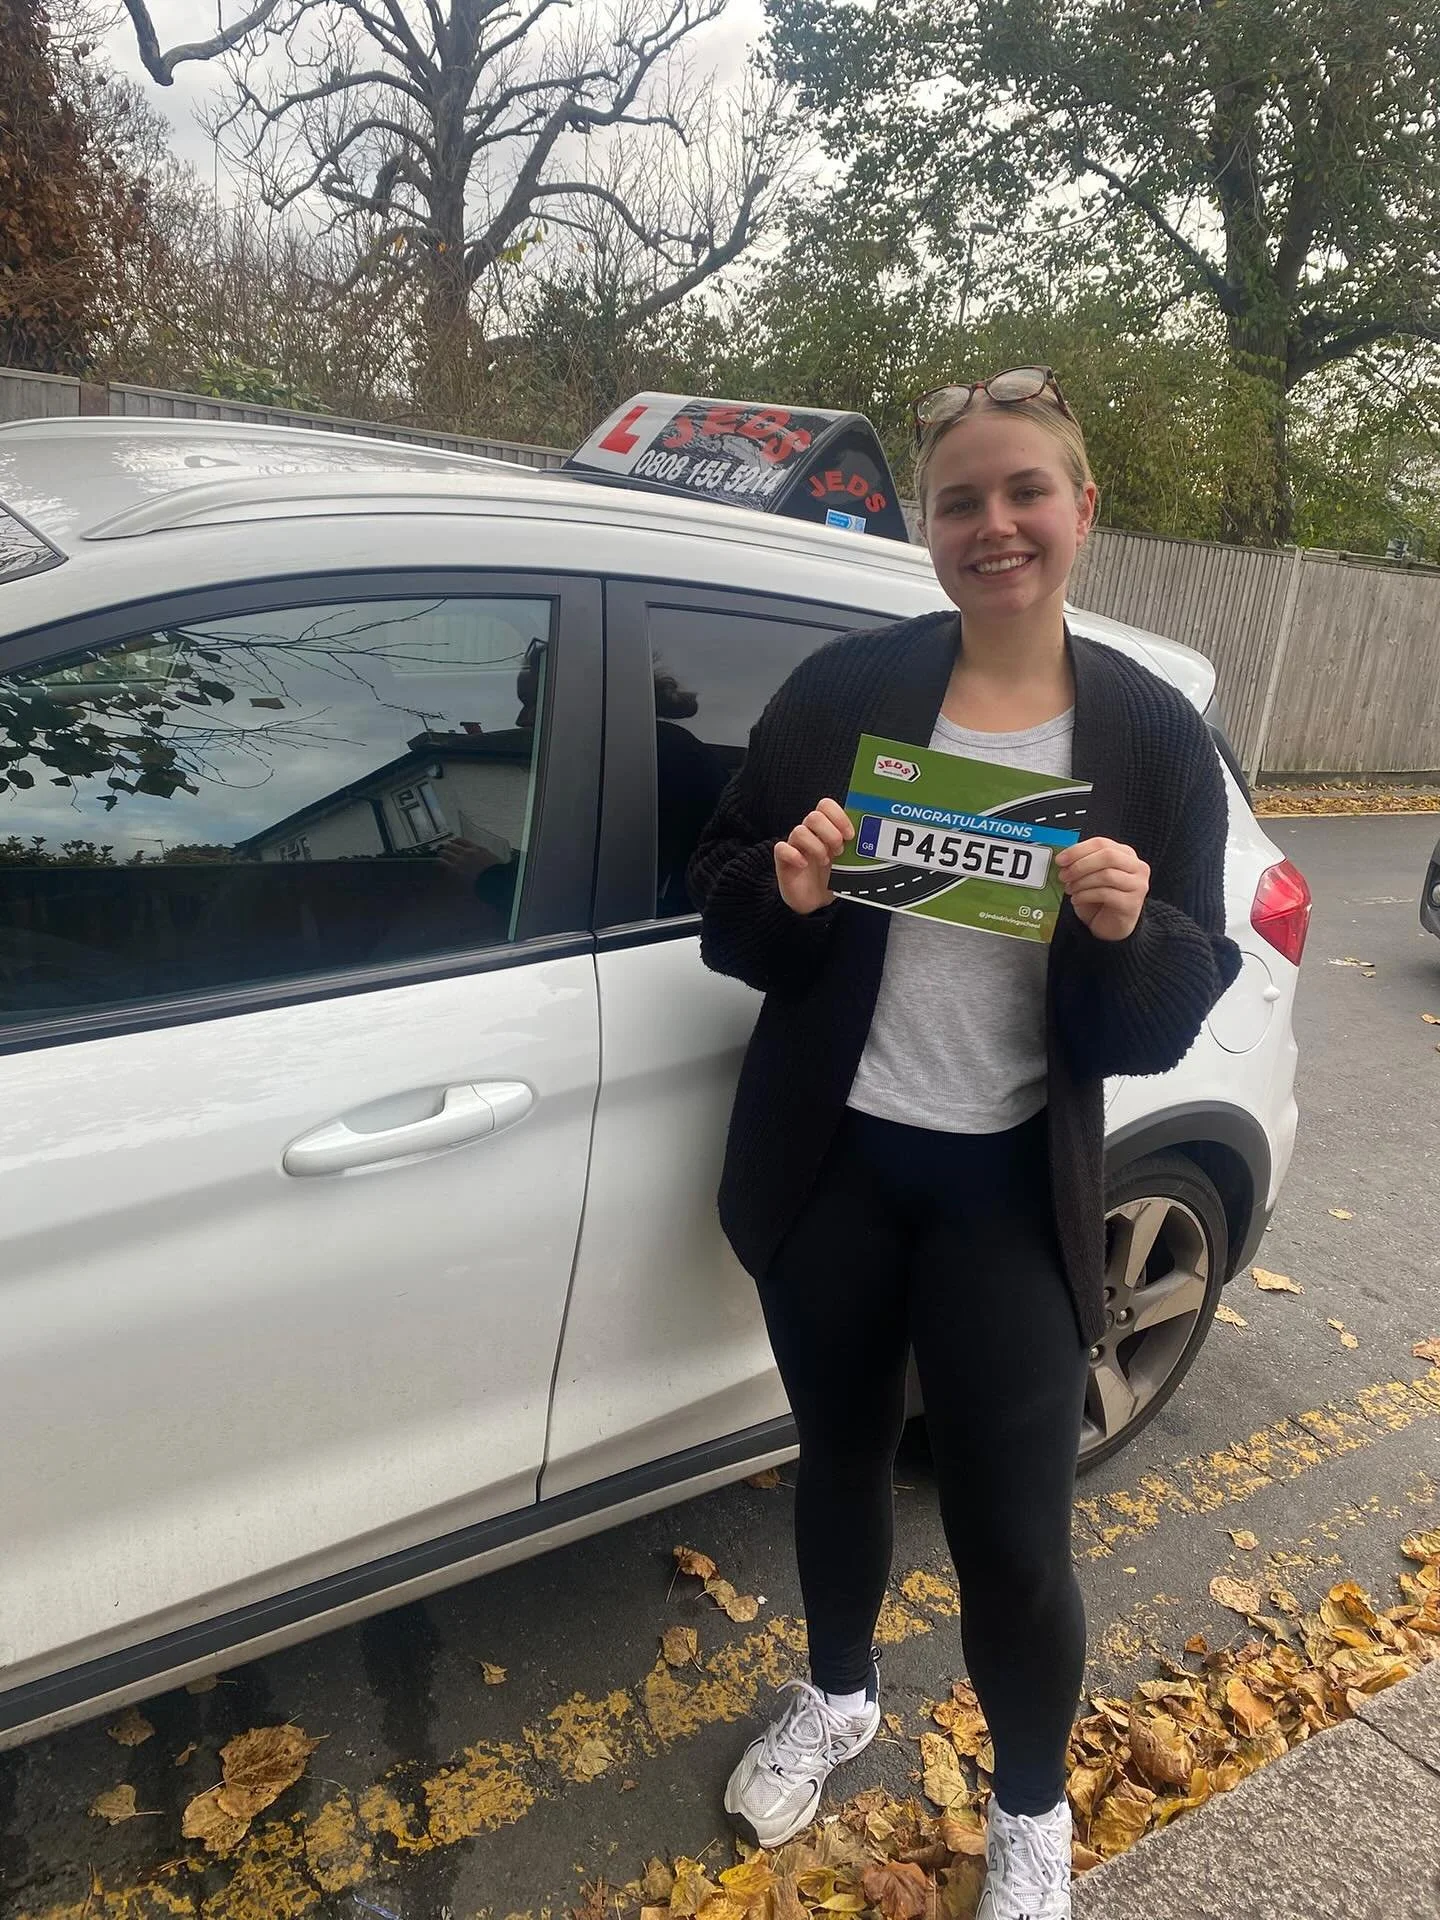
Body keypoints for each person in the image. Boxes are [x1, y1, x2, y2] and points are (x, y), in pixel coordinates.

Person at [686, 367, 1241, 1919]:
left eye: (1024, 494)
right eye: (960, 500)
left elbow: (1171, 1005)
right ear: (927, 526)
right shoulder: (849, 690)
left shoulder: (1145, 733)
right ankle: (844, 1695)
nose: (993, 525)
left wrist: (1130, 936)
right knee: (839, 1462)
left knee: (1013, 1534)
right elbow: (723, 885)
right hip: (835, 1169)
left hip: (1010, 1189)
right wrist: (782, 892)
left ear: (1081, 511)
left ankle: (1029, 1812)